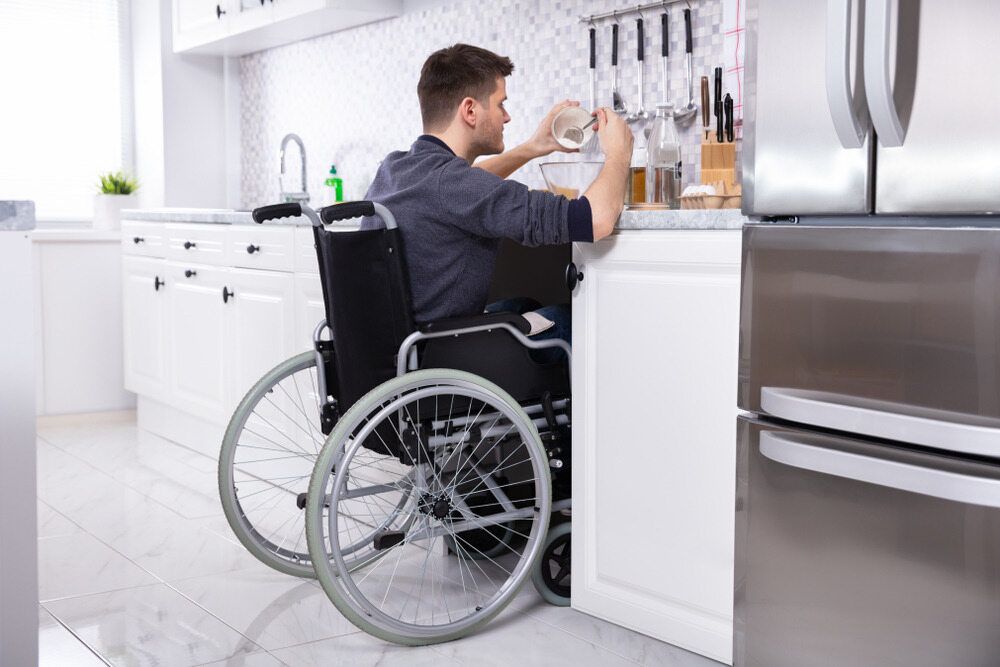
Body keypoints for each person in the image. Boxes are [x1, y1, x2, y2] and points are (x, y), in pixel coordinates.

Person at [361, 43, 632, 360]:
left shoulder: (395, 168)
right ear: (470, 110)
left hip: (402, 351)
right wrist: (619, 153)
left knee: (523, 306)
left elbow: (463, 185)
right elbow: (595, 219)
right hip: (444, 357)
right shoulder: (460, 187)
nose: (507, 116)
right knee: (572, 318)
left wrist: (533, 147)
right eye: (501, 104)